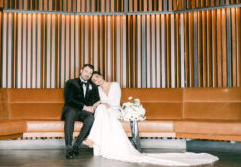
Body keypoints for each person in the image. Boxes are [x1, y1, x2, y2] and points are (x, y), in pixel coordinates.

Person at [83, 71, 219, 166]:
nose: (97, 81)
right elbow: (101, 104)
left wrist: (102, 104)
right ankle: (92, 139)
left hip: (115, 110)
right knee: (100, 109)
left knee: (101, 108)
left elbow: (115, 102)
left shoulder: (115, 84)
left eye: (97, 77)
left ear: (101, 76)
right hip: (106, 111)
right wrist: (99, 103)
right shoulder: (99, 90)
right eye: (94, 81)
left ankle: (92, 139)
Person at [61, 64, 100, 159]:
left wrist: (93, 107)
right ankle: (68, 148)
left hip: (83, 113)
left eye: (90, 73)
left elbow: (97, 99)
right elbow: (68, 100)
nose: (88, 74)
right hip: (71, 109)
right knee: (70, 114)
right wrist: (85, 107)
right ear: (81, 70)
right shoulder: (71, 82)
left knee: (91, 118)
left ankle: (76, 146)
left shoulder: (93, 86)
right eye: (86, 71)